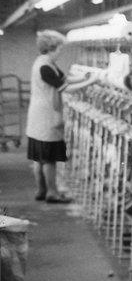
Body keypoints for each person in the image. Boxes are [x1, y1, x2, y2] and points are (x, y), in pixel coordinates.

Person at [25, 30, 98, 203]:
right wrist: (91, 82)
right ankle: (52, 193)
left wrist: (86, 76)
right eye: (59, 48)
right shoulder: (45, 67)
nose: (61, 52)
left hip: (38, 117)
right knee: (48, 159)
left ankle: (41, 191)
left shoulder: (46, 63)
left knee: (39, 158)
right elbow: (65, 88)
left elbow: (65, 79)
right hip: (45, 117)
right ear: (51, 48)